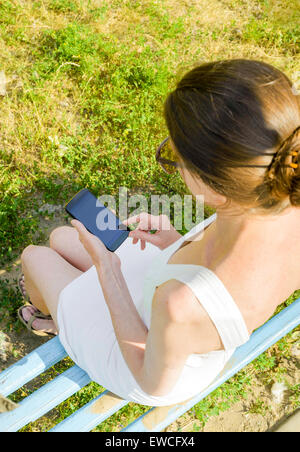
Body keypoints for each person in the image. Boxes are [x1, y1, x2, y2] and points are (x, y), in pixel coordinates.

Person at [18, 59, 300, 406]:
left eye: (176, 157)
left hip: (143, 359)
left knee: (36, 257)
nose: (175, 166)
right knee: (62, 239)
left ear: (216, 189)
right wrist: (177, 243)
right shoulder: (277, 199)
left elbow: (153, 382)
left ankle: (51, 322)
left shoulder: (180, 303)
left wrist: (108, 272)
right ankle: (58, 306)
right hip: (172, 316)